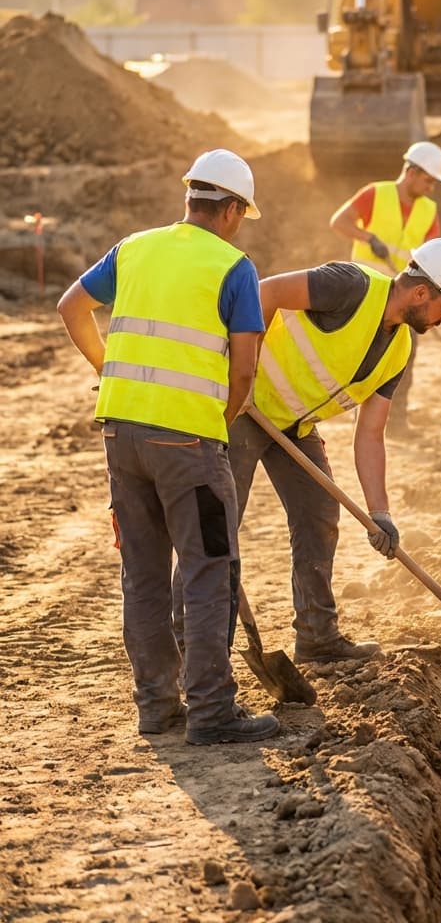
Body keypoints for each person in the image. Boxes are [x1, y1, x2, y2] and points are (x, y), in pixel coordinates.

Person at [56, 149, 279, 746]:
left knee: (145, 575)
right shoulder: (235, 268)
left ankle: (157, 707)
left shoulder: (133, 248)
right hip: (189, 444)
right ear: (231, 210)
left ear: (190, 198)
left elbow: (71, 308)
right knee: (209, 572)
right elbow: (242, 375)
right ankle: (210, 713)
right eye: (240, 213)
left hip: (121, 437)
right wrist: (220, 423)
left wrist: (114, 373)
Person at [225, 238, 441, 666]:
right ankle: (194, 646)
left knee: (319, 515)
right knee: (218, 523)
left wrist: (380, 513)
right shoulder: (349, 285)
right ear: (422, 293)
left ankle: (316, 637)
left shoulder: (399, 350)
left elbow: (371, 433)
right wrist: (242, 376)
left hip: (294, 425)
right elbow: (265, 292)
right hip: (244, 409)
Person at [329, 140, 441, 433]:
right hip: (367, 293)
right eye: (428, 180)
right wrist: (368, 238)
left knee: (405, 356)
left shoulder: (428, 211)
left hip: (407, 299)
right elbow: (338, 222)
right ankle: (359, 418)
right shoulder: (375, 194)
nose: (431, 188)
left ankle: (397, 420)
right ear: (411, 171)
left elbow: (432, 254)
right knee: (364, 356)